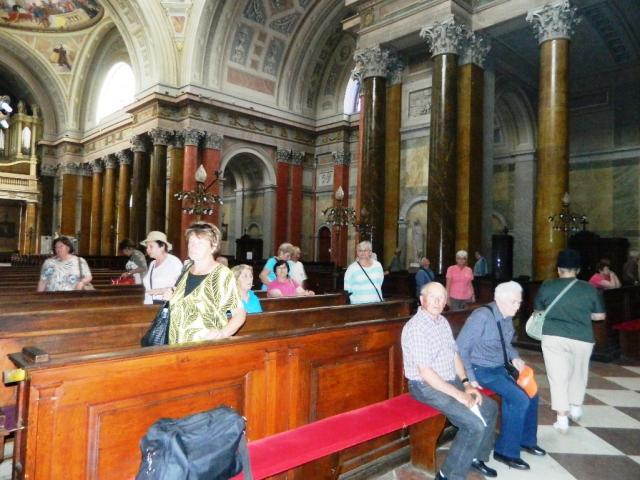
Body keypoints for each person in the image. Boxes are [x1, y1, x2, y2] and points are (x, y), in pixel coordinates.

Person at [402, 282, 498, 480]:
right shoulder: (416, 328)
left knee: (490, 408)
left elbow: (454, 355)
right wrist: (459, 395)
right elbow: (426, 373)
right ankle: (448, 475)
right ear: (422, 299)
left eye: (442, 298)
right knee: (473, 425)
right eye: (433, 297)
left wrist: (466, 383)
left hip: (449, 379)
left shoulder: (442, 322)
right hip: (425, 386)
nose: (438, 302)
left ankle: (476, 458)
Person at [457, 281, 545, 471]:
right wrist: (470, 378)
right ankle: (506, 451)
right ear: (499, 300)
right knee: (518, 398)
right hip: (481, 370)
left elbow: (506, 344)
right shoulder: (481, 317)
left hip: (500, 368)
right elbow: (461, 348)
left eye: (519, 302)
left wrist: (515, 358)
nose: (518, 306)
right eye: (514, 302)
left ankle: (526, 440)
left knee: (532, 392)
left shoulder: (506, 317)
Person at [534, 249, 606, 433]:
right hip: (582, 337)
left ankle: (562, 419)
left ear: (558, 269)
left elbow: (538, 311)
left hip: (553, 336)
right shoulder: (589, 288)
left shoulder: (548, 286)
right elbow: (599, 316)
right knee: (579, 372)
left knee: (557, 377)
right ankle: (575, 408)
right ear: (578, 270)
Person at [165, 222, 246, 344]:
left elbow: (238, 313)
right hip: (176, 344)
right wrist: (172, 297)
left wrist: (223, 333)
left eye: (200, 243)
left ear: (213, 247)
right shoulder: (186, 269)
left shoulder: (221, 274)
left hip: (203, 346)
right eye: (191, 242)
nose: (193, 247)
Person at [140, 231, 183, 305]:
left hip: (164, 305)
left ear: (162, 246)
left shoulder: (174, 262)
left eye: (151, 246)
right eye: (147, 247)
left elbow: (182, 286)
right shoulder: (152, 264)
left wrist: (162, 290)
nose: (147, 249)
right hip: (149, 305)